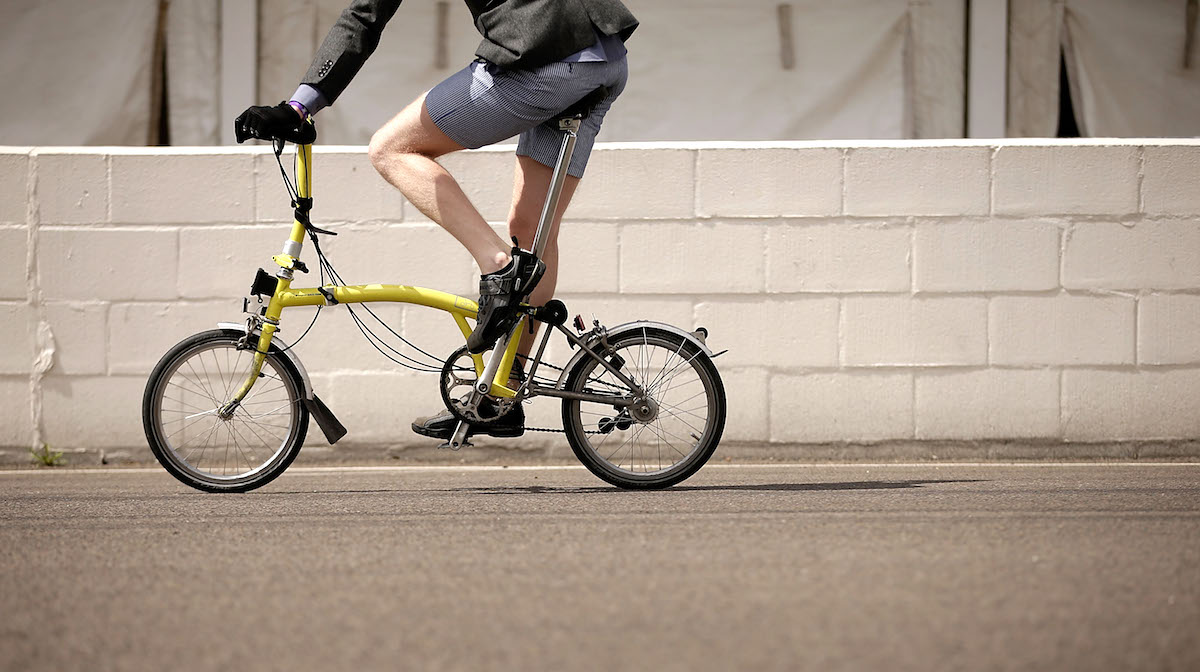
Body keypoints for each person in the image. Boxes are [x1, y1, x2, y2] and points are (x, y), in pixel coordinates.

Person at [235, 0, 637, 441]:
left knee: (391, 148)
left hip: (545, 61)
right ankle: (502, 391)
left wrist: (299, 106)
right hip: (606, 58)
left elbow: (365, 16)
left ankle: (498, 265)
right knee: (533, 225)